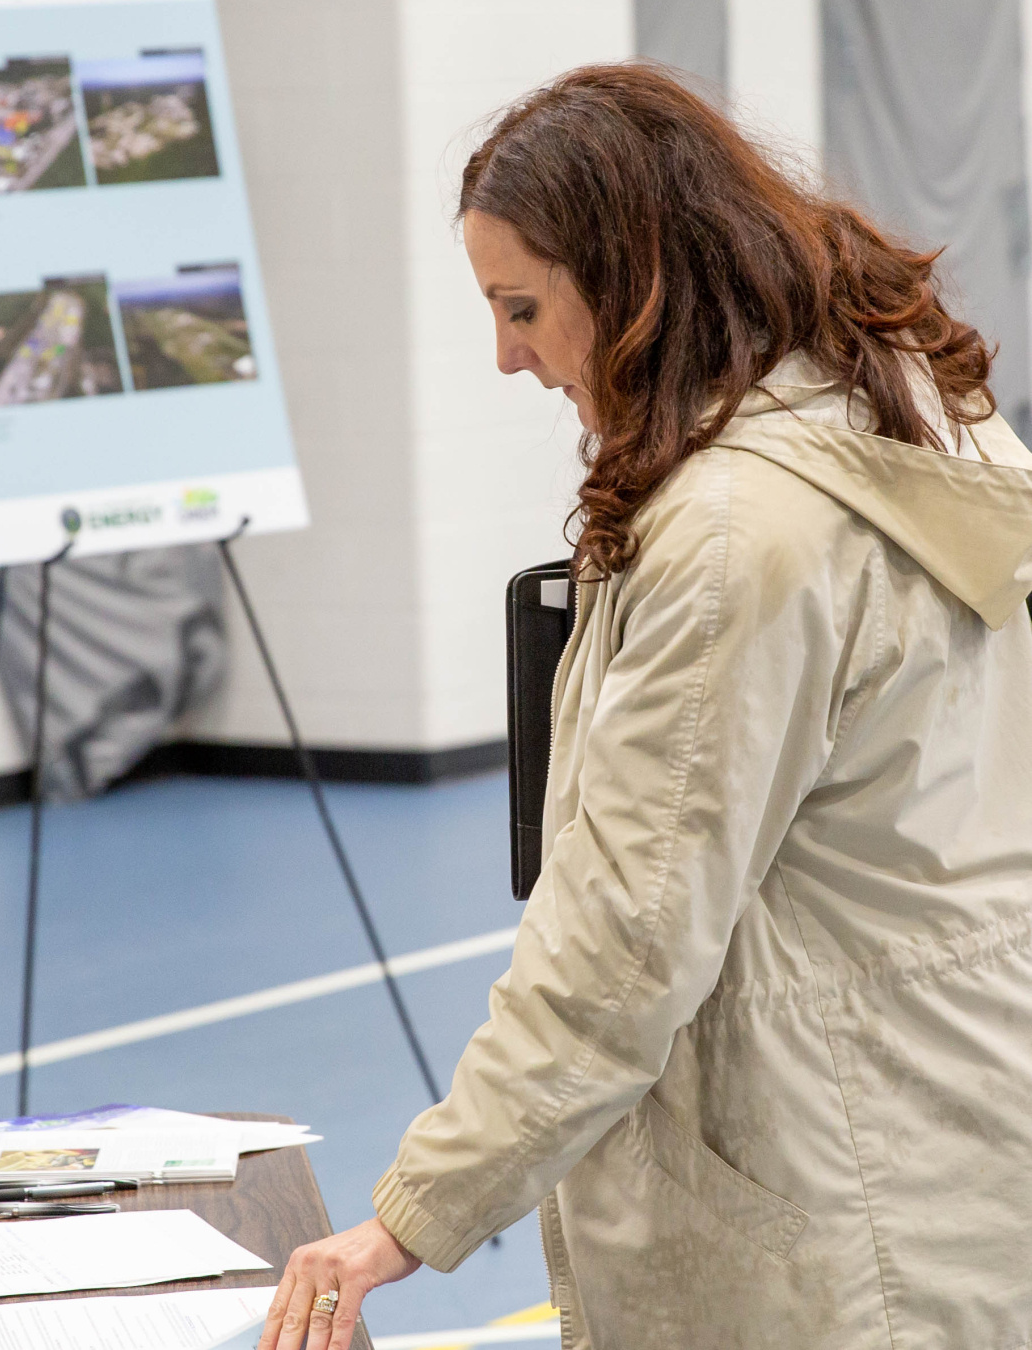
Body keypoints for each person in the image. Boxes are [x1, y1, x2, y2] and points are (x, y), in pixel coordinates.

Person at [257, 63, 1032, 1350]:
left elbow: (623, 947)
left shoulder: (741, 535)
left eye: (520, 307)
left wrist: (407, 1216)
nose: (506, 356)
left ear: (633, 282)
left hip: (837, 1187)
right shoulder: (896, 415)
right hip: (948, 1130)